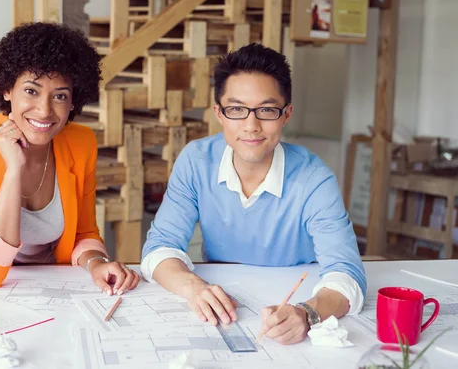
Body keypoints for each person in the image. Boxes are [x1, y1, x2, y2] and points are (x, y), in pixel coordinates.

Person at [141, 43, 366, 345]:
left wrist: (308, 314)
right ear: (219, 113)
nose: (251, 125)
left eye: (267, 110)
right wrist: (193, 288)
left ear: (286, 114)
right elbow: (159, 249)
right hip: (228, 308)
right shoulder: (196, 160)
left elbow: (347, 274)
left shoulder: (314, 177)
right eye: (236, 109)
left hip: (294, 302)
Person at [0, 22, 140, 295]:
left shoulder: (80, 143)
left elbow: (84, 233)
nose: (44, 110)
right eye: (31, 91)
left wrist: (96, 262)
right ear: (7, 90)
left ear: (73, 100)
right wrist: (14, 169)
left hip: (47, 287)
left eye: (60, 96)